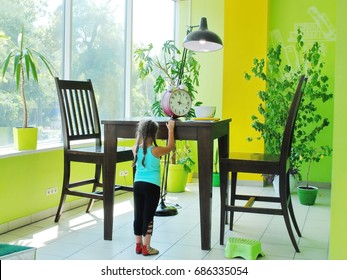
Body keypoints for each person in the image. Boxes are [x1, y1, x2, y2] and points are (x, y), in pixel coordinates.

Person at [132, 118, 175, 256]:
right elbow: (170, 147)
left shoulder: (135, 149)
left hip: (137, 184)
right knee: (148, 216)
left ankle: (138, 245)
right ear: (154, 134)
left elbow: (138, 143)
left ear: (140, 133)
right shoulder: (155, 150)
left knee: (138, 215)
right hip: (152, 186)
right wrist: (171, 130)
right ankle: (147, 247)